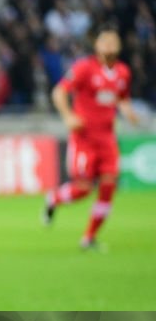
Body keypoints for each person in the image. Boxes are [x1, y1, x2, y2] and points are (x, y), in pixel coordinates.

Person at [43, 26, 140, 248]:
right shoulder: (85, 68)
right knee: (84, 188)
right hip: (84, 139)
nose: (109, 45)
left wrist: (128, 113)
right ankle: (53, 199)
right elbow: (59, 92)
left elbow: (122, 98)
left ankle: (89, 237)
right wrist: (68, 116)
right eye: (104, 41)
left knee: (108, 186)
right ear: (96, 46)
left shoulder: (123, 73)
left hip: (107, 140)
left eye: (113, 41)